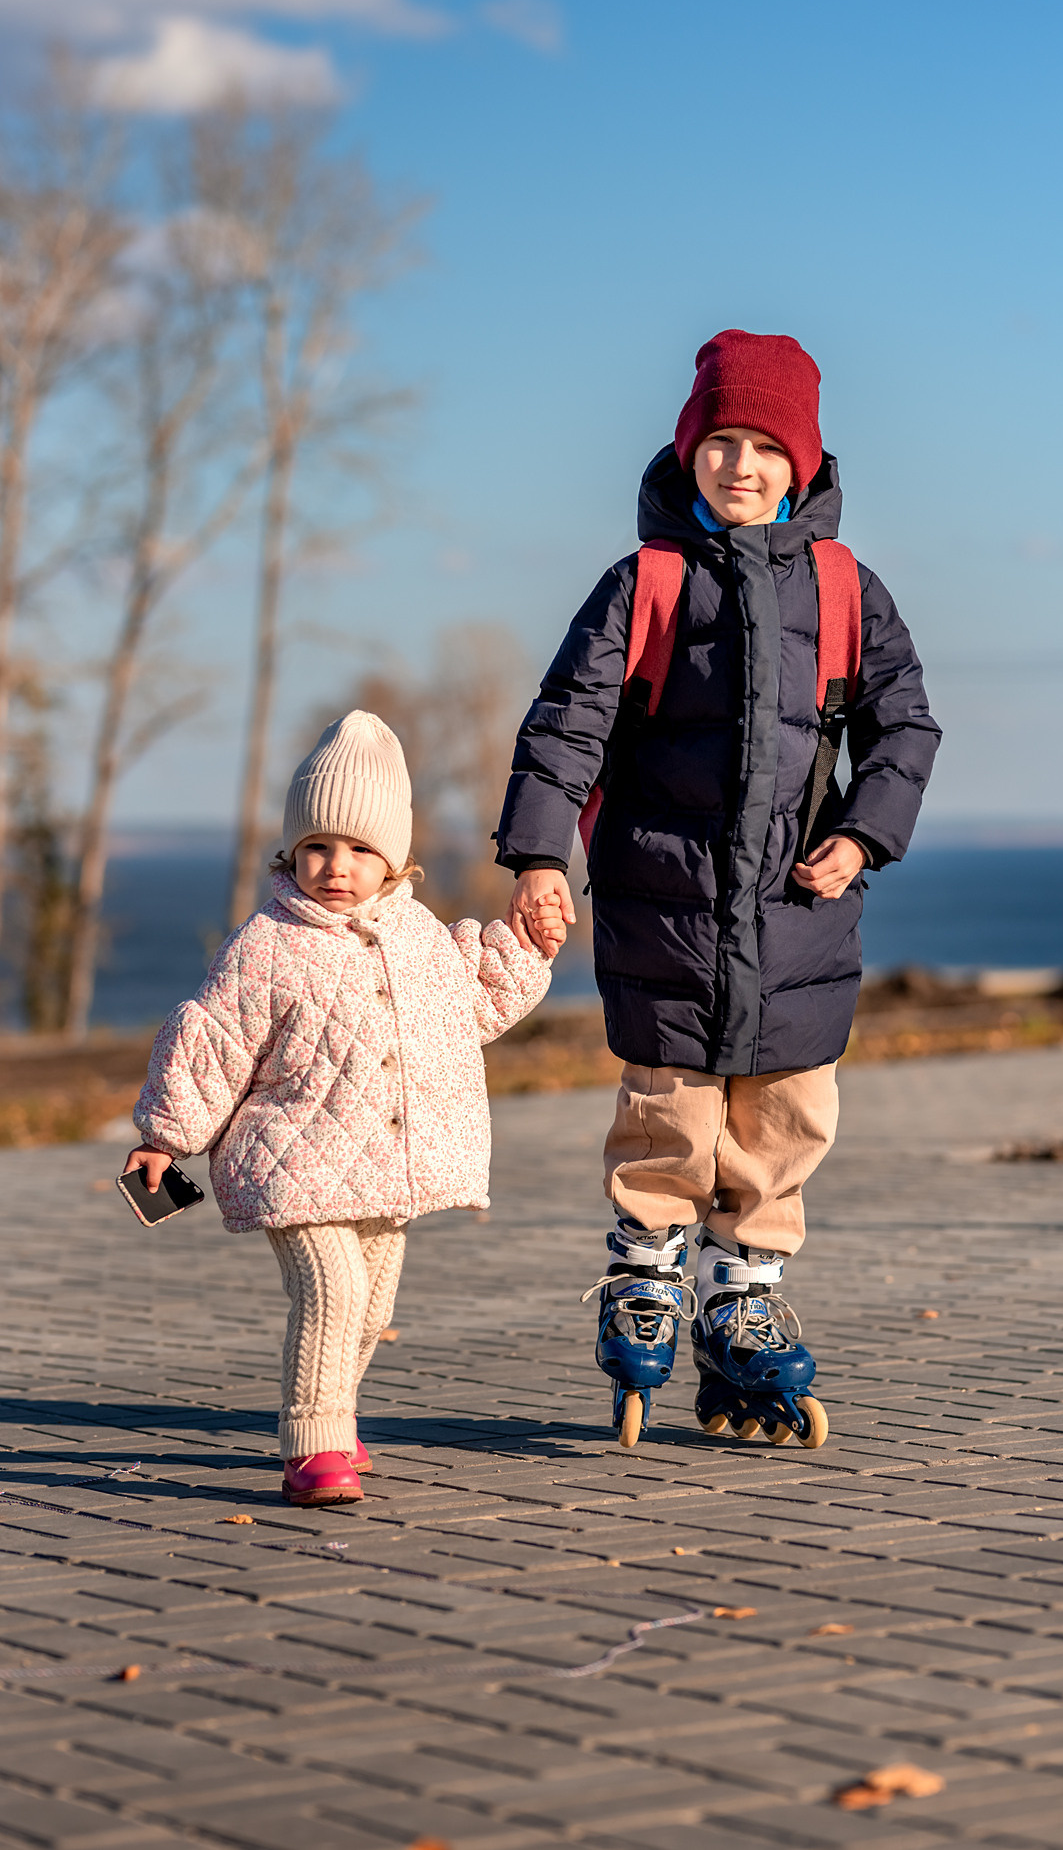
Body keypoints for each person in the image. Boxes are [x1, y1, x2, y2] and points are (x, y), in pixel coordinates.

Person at [495, 329, 940, 1449]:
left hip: (799, 914)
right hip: (662, 905)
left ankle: (743, 1291)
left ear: (803, 463)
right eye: (721, 442)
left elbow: (903, 728)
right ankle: (646, 1272)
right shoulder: (641, 583)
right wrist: (543, 857)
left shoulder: (846, 589)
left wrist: (862, 837)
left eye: (764, 447)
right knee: (670, 1107)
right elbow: (566, 730)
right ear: (688, 450)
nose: (740, 465)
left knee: (785, 1114)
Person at [126, 710, 555, 1507]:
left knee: (374, 1303)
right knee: (333, 1291)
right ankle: (313, 1446)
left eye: (361, 849)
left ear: (393, 860)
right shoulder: (266, 943)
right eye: (317, 845)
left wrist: (524, 948)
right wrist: (165, 1135)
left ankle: (335, 1415)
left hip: (384, 1161)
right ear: (291, 850)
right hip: (287, 1155)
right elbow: (216, 1040)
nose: (336, 865)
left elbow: (462, 1011)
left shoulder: (419, 935)